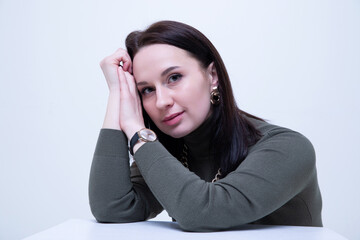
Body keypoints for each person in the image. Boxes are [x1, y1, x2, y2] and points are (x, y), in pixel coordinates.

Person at [89, 20, 322, 232]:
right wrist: (118, 93)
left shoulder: (287, 148)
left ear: (212, 76)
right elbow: (113, 207)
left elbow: (203, 212)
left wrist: (137, 131)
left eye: (174, 78)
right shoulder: (173, 151)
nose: (161, 101)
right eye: (147, 90)